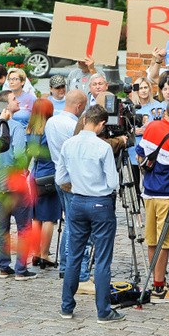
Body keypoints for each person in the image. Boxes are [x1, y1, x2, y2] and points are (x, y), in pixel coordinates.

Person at [56, 105, 124, 323]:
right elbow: (113, 182)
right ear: (102, 124)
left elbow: (60, 178)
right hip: (100, 202)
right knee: (103, 259)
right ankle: (103, 311)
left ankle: (66, 306)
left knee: (74, 256)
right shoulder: (103, 147)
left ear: (85, 119)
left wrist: (77, 183)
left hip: (77, 201)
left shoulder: (69, 144)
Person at [135, 98, 169, 303]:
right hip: (168, 195)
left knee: (151, 239)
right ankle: (159, 286)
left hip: (148, 192)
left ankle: (155, 280)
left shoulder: (151, 127)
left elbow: (140, 154)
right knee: (164, 242)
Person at [0, 90, 37, 281]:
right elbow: (18, 155)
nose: (17, 101)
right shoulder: (16, 127)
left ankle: (2, 266)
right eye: (13, 99)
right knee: (24, 226)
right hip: (14, 183)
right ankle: (21, 268)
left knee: (2, 226)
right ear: (5, 106)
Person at [46, 90, 89, 279]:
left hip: (59, 173)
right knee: (75, 225)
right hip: (73, 177)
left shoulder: (51, 121)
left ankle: (65, 264)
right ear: (79, 106)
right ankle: (72, 268)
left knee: (69, 222)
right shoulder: (73, 125)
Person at [26, 99, 61, 270]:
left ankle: (35, 253)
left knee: (35, 217)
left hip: (35, 174)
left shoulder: (30, 129)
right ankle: (45, 254)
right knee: (48, 218)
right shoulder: (49, 129)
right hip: (48, 175)